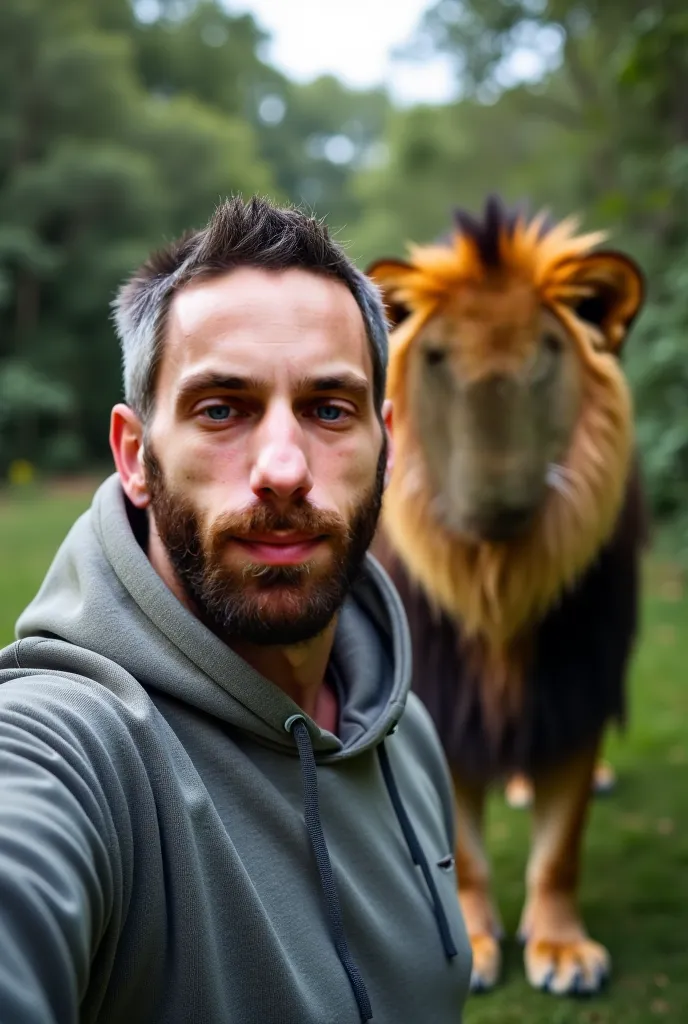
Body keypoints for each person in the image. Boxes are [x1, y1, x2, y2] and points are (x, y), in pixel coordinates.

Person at [0, 195, 471, 1023]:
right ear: (136, 456)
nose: (284, 468)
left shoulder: (404, 729)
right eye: (222, 408)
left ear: (386, 447)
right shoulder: (69, 749)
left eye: (329, 409)